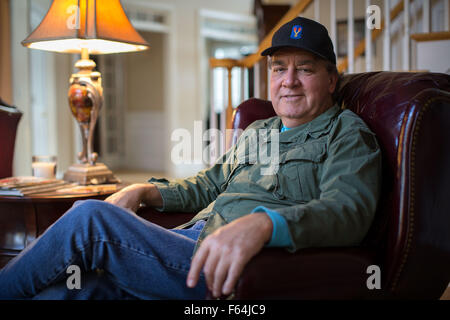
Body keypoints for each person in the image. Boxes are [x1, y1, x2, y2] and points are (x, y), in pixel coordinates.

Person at [0, 17, 381, 300]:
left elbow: (346, 211)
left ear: (331, 80)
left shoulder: (347, 134)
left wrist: (267, 225)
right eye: (279, 69)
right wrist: (144, 190)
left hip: (227, 263)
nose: (289, 80)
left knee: (91, 217)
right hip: (184, 240)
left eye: (305, 69)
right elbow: (208, 184)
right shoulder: (260, 130)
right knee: (74, 291)